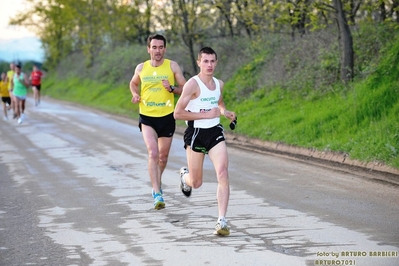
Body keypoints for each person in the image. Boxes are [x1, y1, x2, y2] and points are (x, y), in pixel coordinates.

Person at [174, 46, 237, 236]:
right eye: (205, 61)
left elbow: (219, 101)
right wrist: (205, 115)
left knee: (223, 172)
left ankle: (222, 221)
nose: (209, 65)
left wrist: (225, 112)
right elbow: (177, 113)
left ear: (216, 62)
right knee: (196, 182)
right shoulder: (192, 85)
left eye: (212, 61)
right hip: (196, 133)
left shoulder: (219, 84)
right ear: (199, 62)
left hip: (215, 132)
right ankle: (185, 176)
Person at [129, 34, 186, 210]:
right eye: (154, 47)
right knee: (153, 153)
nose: (158, 51)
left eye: (161, 47)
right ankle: (157, 193)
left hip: (167, 116)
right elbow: (133, 83)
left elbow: (185, 88)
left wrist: (172, 88)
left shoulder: (172, 66)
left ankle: (157, 183)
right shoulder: (141, 67)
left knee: (163, 157)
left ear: (165, 49)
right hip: (147, 117)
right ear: (148, 49)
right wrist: (135, 94)